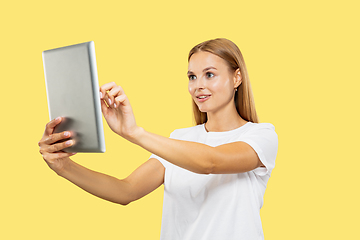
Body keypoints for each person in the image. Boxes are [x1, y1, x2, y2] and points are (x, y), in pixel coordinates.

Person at [38, 38, 278, 240]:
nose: (198, 86)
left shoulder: (260, 136)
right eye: (192, 77)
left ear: (237, 78)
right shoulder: (180, 139)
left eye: (210, 74)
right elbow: (126, 191)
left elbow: (211, 163)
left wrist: (134, 133)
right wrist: (63, 166)